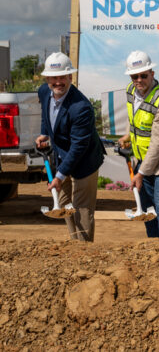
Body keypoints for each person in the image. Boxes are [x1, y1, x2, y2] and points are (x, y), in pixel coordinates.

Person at [36, 52, 105, 241]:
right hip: (61, 153)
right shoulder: (44, 91)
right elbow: (45, 113)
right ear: (47, 78)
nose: (58, 82)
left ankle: (84, 250)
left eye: (62, 77)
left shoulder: (80, 107)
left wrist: (58, 176)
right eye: (53, 78)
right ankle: (74, 244)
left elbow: (78, 147)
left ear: (70, 77)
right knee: (65, 202)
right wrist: (45, 132)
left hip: (85, 159)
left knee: (82, 207)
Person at [118, 50, 159, 238]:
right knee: (147, 208)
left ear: (152, 73)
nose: (139, 80)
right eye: (134, 76)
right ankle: (153, 247)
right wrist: (128, 137)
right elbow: (137, 122)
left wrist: (141, 173)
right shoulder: (130, 91)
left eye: (143, 75)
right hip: (142, 159)